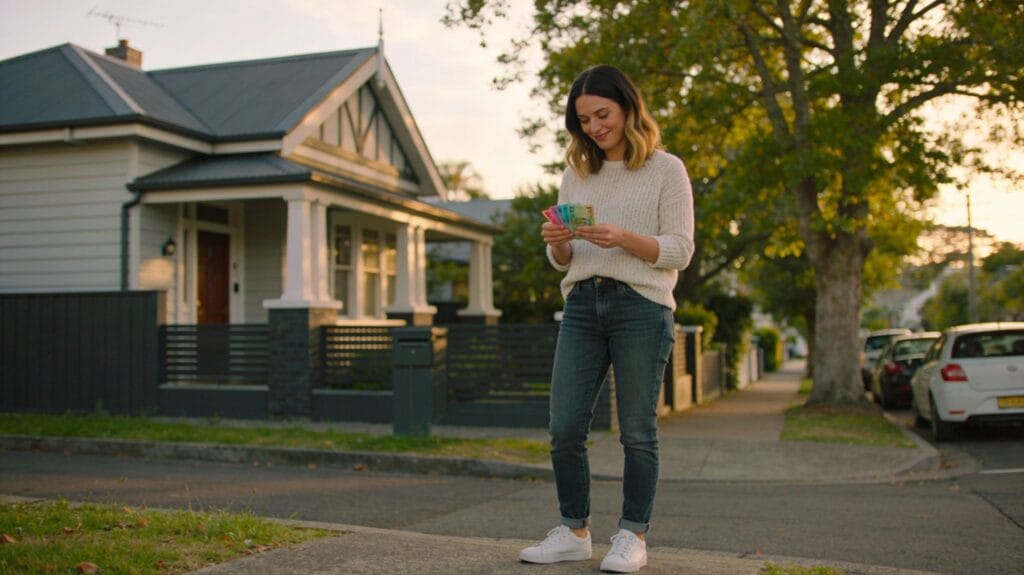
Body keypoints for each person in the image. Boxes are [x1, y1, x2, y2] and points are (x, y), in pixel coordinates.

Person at [518, 65, 694, 573]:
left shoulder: (666, 169)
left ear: (628, 108)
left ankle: (633, 536)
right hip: (580, 305)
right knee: (564, 427)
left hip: (642, 306)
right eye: (584, 119)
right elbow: (566, 260)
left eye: (603, 114)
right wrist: (559, 244)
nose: (595, 127)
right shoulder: (577, 173)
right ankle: (574, 531)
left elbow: (680, 250)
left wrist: (625, 240)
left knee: (637, 431)